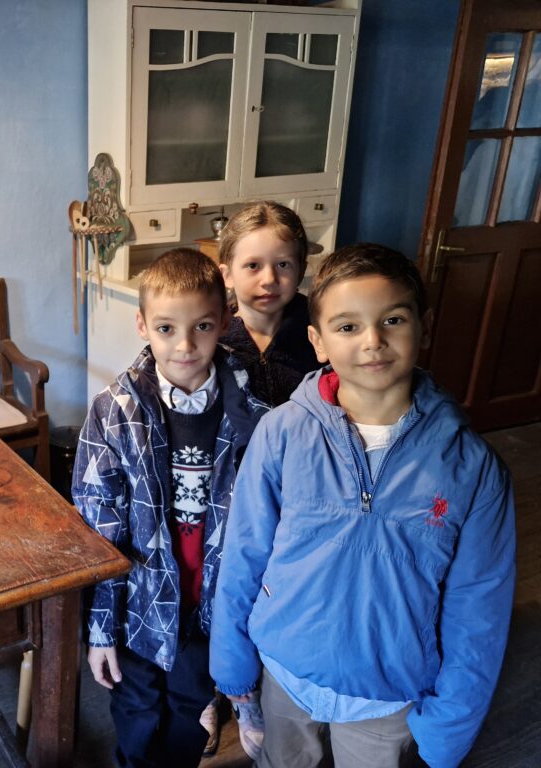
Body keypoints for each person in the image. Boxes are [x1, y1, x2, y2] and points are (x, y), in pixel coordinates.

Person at [210, 243, 517, 768]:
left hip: (388, 694)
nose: (373, 342)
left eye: (392, 320)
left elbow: (478, 610)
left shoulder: (472, 467)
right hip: (285, 671)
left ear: (424, 325)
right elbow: (244, 555)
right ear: (318, 341)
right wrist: (232, 666)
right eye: (348, 327)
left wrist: (449, 729)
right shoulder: (281, 433)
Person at [72, 248, 269, 767]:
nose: (184, 345)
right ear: (142, 324)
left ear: (225, 321)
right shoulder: (114, 413)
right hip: (140, 609)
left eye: (202, 326)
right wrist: (100, 631)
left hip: (213, 610)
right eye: (166, 328)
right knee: (136, 713)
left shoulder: (255, 412)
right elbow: (99, 532)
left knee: (189, 709)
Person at [218, 201, 321, 407]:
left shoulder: (322, 328)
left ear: (300, 271)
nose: (269, 279)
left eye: (283, 264)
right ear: (227, 275)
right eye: (253, 265)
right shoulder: (213, 336)